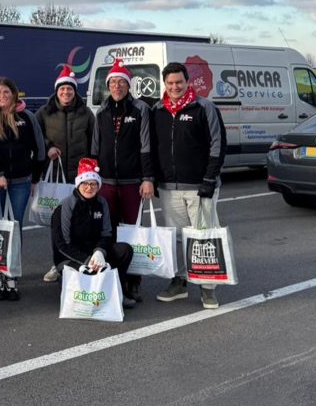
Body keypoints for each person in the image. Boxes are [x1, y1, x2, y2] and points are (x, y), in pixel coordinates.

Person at [152, 62, 227, 309]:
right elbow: (153, 147)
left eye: (179, 82)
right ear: (165, 84)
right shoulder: (158, 109)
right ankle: (180, 282)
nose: (175, 87)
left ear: (187, 82)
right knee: (177, 238)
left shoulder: (204, 107)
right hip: (169, 187)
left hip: (199, 186)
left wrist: (209, 179)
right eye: (170, 83)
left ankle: (208, 287)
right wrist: (153, 178)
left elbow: (217, 144)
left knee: (203, 237)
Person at [88, 59, 154, 300]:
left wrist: (147, 178)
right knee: (109, 232)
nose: (117, 86)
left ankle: (134, 281)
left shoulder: (140, 109)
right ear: (108, 86)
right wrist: (94, 177)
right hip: (106, 182)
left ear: (128, 85)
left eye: (121, 82)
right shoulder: (102, 111)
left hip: (131, 181)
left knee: (132, 233)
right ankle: (114, 276)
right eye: (113, 82)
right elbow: (95, 147)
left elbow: (145, 146)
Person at [0, 77, 45, 301]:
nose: (2, 97)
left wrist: (35, 177)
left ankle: (11, 275)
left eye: (6, 92)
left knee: (14, 228)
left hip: (20, 182)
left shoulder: (27, 117)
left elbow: (40, 148)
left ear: (14, 94)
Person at [36, 65, 95, 283]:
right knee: (57, 224)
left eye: (69, 89)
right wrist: (48, 146)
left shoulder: (86, 112)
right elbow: (36, 137)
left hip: (80, 178)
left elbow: (93, 141)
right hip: (55, 177)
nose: (66, 93)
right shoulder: (44, 112)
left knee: (79, 223)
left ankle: (77, 262)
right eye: (62, 90)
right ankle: (57, 264)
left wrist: (91, 167)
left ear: (74, 91)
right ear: (56, 91)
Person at [51, 158, 136, 309]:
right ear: (78, 184)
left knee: (124, 250)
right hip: (71, 257)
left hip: (95, 255)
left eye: (93, 184)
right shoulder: (65, 206)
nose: (89, 187)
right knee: (88, 273)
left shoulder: (102, 203)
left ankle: (119, 291)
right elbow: (62, 243)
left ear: (98, 185)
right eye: (85, 183)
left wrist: (99, 252)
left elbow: (106, 233)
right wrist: (87, 260)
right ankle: (67, 284)